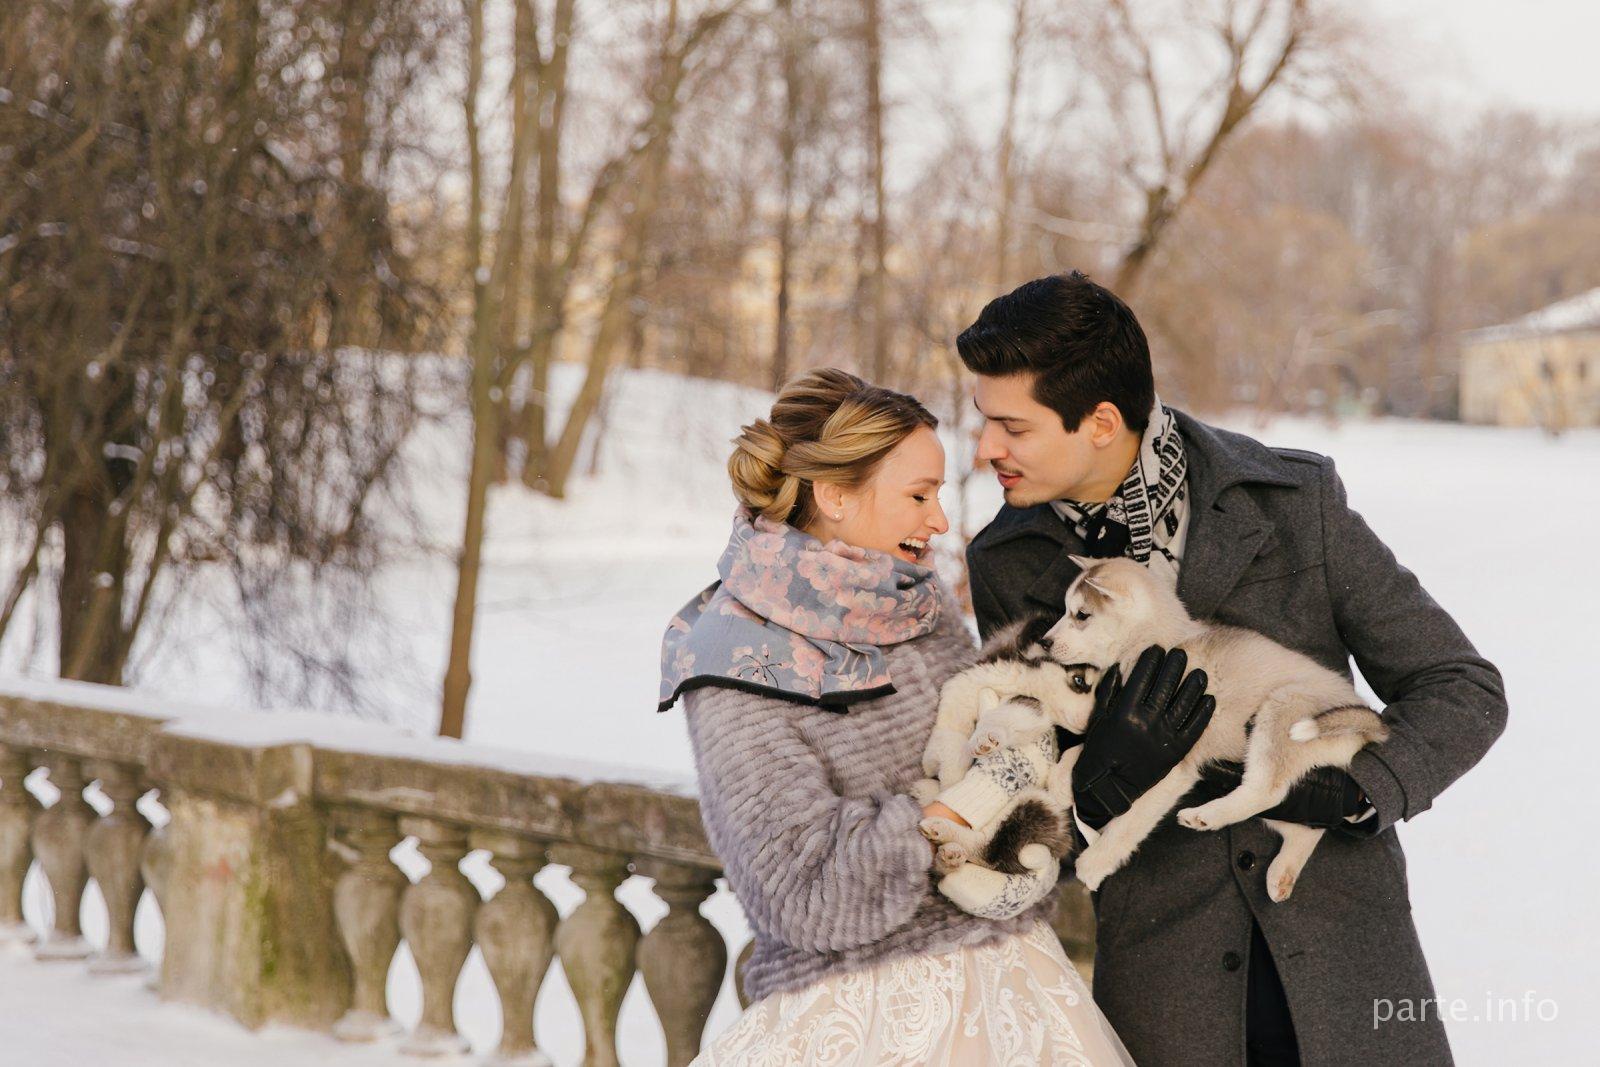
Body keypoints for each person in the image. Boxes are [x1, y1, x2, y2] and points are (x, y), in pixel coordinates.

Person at [957, 271, 1509, 1065]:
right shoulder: (1009, 561)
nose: (986, 449)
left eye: (1012, 425)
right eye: (985, 421)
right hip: (1168, 990)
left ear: (1102, 421)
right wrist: (1096, 788)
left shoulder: (1293, 500)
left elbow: (1460, 685)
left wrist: (1357, 789)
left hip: (1347, 965)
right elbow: (1021, 789)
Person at [659, 368, 1188, 1064]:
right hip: (867, 1014)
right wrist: (957, 810)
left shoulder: (914, 604)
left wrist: (1077, 778)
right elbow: (799, 890)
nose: (939, 520)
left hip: (1017, 986)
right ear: (835, 495)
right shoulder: (737, 654)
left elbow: (996, 769)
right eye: (918, 495)